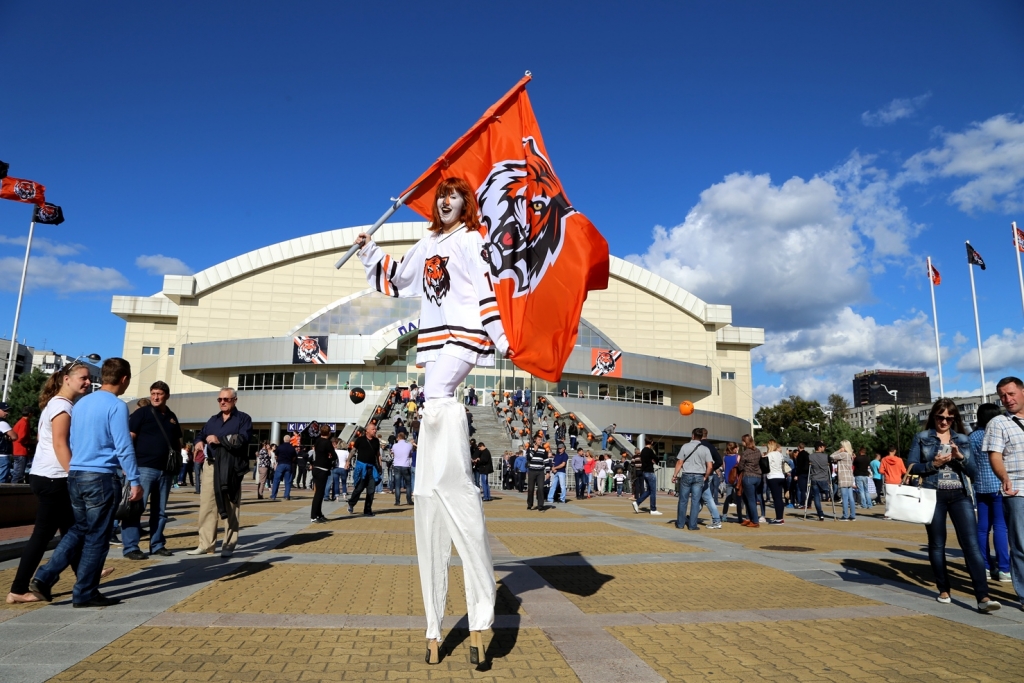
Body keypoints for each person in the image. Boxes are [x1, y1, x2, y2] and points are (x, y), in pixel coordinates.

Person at [356, 178, 517, 665]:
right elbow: (397, 279)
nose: (446, 201)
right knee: (432, 396)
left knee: (438, 394)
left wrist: (500, 336)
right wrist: (369, 249)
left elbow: (487, 290)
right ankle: (440, 463)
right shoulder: (427, 241)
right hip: (433, 338)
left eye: (454, 195)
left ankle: (449, 461)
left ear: (466, 203)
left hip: (466, 335)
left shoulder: (472, 240)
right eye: (441, 196)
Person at [30, 358, 143, 608]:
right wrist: (134, 480)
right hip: (100, 475)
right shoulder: (116, 406)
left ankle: (44, 577)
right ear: (124, 379)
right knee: (97, 536)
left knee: (79, 529)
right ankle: (85, 592)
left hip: (76, 473)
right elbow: (123, 446)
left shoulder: (80, 404)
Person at [7, 364, 115, 604]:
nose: (88, 382)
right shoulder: (62, 406)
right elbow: (59, 444)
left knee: (72, 529)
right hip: (54, 478)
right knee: (43, 535)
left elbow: (44, 440)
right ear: (67, 379)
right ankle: (18, 588)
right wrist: (74, 475)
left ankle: (85, 576)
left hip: (48, 475)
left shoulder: (56, 404)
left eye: (89, 379)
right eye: (83, 378)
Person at [909, 398, 1000, 612]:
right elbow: (911, 465)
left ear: (954, 419)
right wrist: (933, 464)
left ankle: (983, 597)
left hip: (960, 495)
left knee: (971, 545)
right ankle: (943, 589)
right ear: (933, 416)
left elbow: (974, 472)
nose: (944, 422)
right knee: (937, 543)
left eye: (949, 418)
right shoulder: (922, 438)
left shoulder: (962, 439)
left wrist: (960, 457)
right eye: (940, 417)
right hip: (934, 495)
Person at [186, 388, 252, 558]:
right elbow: (200, 434)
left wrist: (219, 440)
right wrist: (199, 441)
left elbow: (242, 440)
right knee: (207, 505)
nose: (222, 402)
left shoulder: (243, 419)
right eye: (220, 399)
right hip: (211, 465)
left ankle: (228, 545)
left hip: (230, 467)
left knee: (231, 505)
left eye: (226, 399)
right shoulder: (213, 420)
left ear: (235, 400)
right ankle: (206, 544)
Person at [122, 381, 182, 560]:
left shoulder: (171, 416)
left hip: (165, 471)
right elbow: (129, 439)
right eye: (153, 393)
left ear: (167, 396)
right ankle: (131, 547)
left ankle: (157, 544)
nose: (155, 397)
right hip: (143, 468)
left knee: (161, 511)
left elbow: (177, 441)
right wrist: (127, 466)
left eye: (159, 394)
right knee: (135, 508)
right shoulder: (142, 413)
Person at [985, 377, 1024, 606]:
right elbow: (995, 456)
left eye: (1010, 394)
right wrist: (1004, 477)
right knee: (1021, 544)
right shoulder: (998, 423)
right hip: (1017, 489)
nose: (1007, 399)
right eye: (1002, 396)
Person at [970, 403, 1011, 582]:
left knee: (982, 528)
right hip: (1000, 486)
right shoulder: (998, 432)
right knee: (1001, 528)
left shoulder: (973, 437)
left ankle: (985, 566)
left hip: (980, 486)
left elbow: (969, 463)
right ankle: (1004, 569)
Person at [672, 432, 713, 531]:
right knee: (695, 501)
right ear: (701, 437)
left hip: (686, 474)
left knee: (683, 500)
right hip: (699, 476)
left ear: (693, 436)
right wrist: (706, 476)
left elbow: (679, 462)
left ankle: (680, 524)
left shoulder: (685, 446)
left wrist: (675, 475)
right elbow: (710, 466)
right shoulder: (705, 449)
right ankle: (692, 525)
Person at [347, 422, 382, 516]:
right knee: (359, 488)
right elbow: (353, 451)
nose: (375, 431)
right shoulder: (360, 440)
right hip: (362, 468)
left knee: (371, 490)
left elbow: (378, 455)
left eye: (375, 429)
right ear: (367, 431)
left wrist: (380, 466)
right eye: (373, 429)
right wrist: (348, 461)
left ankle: (367, 510)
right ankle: (351, 503)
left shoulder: (376, 441)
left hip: (372, 468)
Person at [309, 424, 337, 523]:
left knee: (319, 493)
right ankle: (313, 516)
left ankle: (319, 514)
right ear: (329, 433)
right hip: (323, 469)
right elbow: (334, 455)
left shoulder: (317, 441)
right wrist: (329, 457)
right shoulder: (327, 443)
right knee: (319, 493)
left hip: (316, 468)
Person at [736, 435, 762, 528]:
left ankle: (755, 521)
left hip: (748, 477)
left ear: (745, 442)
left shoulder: (745, 453)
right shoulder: (758, 451)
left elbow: (741, 467)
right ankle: (749, 518)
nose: (742, 442)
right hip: (758, 477)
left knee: (750, 500)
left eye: (742, 441)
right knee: (748, 498)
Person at [631, 440, 662, 516]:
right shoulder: (650, 451)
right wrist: (654, 461)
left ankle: (637, 502)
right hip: (650, 472)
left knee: (649, 491)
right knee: (653, 492)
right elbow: (657, 459)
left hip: (644, 472)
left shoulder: (643, 451)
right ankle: (653, 509)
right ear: (651, 442)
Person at [830, 441, 856, 521]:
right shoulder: (850, 455)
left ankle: (845, 515)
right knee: (851, 498)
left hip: (843, 478)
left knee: (844, 497)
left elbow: (831, 456)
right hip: (849, 477)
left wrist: (839, 451)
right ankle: (852, 515)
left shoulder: (843, 454)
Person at [763, 439, 786, 525]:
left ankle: (779, 519)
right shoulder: (780, 454)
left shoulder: (769, 455)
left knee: (776, 499)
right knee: (780, 498)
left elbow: (765, 466)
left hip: (773, 476)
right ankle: (780, 517)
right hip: (781, 476)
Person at [525, 434, 551, 510]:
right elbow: (528, 458)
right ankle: (530, 504)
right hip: (532, 471)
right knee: (530, 489)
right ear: (535, 440)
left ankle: (540, 505)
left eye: (541, 440)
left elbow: (546, 461)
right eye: (539, 440)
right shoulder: (530, 448)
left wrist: (548, 472)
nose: (540, 441)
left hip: (540, 471)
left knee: (540, 488)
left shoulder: (543, 450)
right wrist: (534, 450)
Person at [808, 441, 831, 521]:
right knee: (826, 492)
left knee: (816, 497)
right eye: (823, 446)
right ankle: (828, 496)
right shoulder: (826, 456)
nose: (824, 448)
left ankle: (820, 514)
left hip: (815, 478)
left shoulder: (810, 456)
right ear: (819, 447)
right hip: (824, 479)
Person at [10, 407, 32, 484]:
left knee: (17, 473)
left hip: (17, 450)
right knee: (18, 474)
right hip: (21, 451)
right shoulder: (24, 423)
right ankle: (13, 491)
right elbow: (21, 437)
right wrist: (28, 443)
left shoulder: (20, 422)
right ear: (30, 414)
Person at [721, 442, 742, 520]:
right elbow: (740, 468)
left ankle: (724, 515)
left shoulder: (724, 457)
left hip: (728, 479)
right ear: (735, 448)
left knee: (727, 498)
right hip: (736, 479)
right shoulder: (738, 457)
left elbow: (724, 468)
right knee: (738, 498)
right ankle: (739, 517)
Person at [271, 435, 295, 501]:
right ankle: (286, 495)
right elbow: (294, 457)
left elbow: (276, 456)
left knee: (276, 480)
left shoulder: (280, 447)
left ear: (284, 439)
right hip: (289, 464)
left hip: (281, 464)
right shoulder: (292, 448)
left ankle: (273, 496)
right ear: (289, 440)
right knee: (288, 481)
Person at [391, 432, 414, 505]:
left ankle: (397, 501)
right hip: (406, 465)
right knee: (408, 484)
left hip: (397, 465)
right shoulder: (409, 445)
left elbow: (393, 454)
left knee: (397, 484)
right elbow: (410, 454)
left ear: (398, 437)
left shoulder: (394, 445)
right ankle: (409, 500)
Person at [853, 446, 874, 510]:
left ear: (860, 451)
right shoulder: (867, 458)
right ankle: (869, 504)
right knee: (866, 491)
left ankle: (864, 504)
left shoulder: (857, 458)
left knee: (861, 491)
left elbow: (854, 464)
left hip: (858, 475)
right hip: (865, 475)